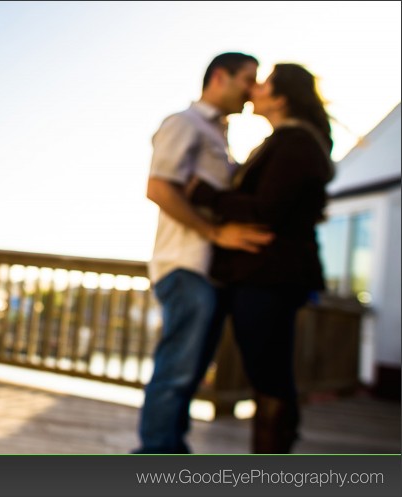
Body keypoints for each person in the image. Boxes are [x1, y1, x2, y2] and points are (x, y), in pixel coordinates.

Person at [188, 63, 335, 453]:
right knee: (266, 373)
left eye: (264, 83)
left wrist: (204, 194)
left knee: (269, 376)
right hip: (264, 276)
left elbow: (266, 208)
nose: (255, 88)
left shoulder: (296, 143)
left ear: (281, 97)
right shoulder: (287, 141)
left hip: (271, 276)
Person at [135, 52, 274, 454]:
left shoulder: (219, 135)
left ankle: (170, 449)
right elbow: (159, 188)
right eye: (247, 79)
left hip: (207, 272)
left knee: (189, 372)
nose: (252, 90)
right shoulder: (185, 123)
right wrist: (215, 231)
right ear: (219, 77)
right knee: (177, 370)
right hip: (185, 266)